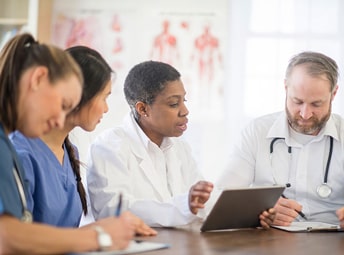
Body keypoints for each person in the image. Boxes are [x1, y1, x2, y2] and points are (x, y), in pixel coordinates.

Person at [216, 51, 344, 237]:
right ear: (285, 87)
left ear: (334, 94)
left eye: (316, 104)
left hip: (335, 242)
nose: (305, 114)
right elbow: (223, 194)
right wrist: (259, 209)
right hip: (269, 241)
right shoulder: (256, 132)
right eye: (297, 101)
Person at [0, 33, 134, 254]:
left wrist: (105, 230)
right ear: (38, 79)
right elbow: (7, 238)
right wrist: (99, 237)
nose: (61, 120)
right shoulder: (15, 149)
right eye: (64, 104)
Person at [9, 46, 156, 236]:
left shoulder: (70, 152)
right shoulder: (21, 153)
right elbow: (16, 241)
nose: (106, 109)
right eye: (104, 97)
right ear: (77, 94)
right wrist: (97, 235)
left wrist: (110, 229)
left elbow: (64, 233)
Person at [87, 60, 214, 227]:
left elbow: (200, 202)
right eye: (174, 104)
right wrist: (183, 207)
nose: (185, 111)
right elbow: (113, 210)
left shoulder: (180, 147)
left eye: (184, 101)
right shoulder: (109, 146)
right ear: (143, 109)